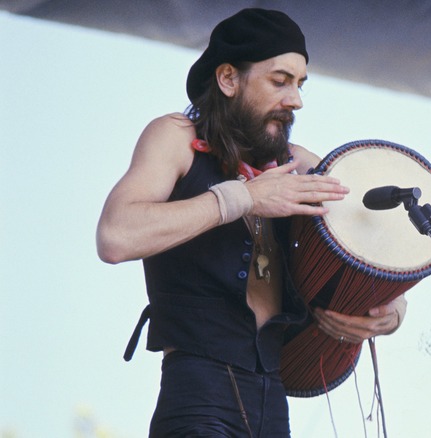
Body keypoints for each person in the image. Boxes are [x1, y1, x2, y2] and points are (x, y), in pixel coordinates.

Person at [96, 8, 407, 437]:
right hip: (197, 390)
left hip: (274, 396)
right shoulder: (176, 137)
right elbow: (115, 236)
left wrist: (389, 310)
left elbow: (365, 251)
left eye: (300, 85)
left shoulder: (302, 165)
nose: (295, 100)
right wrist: (243, 197)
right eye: (280, 81)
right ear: (228, 79)